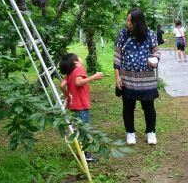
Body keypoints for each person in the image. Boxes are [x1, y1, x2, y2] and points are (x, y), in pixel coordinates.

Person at [114, 8, 161, 145]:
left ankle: (151, 132)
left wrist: (155, 60)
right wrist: (117, 76)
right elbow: (117, 57)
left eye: (131, 20)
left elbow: (156, 52)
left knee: (149, 107)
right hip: (127, 79)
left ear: (138, 22)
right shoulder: (122, 34)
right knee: (128, 107)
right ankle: (130, 133)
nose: (128, 23)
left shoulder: (150, 34)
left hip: (146, 80)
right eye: (127, 19)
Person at [59, 53, 104, 162]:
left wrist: (67, 96)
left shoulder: (70, 73)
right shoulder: (79, 69)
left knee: (79, 129)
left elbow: (62, 85)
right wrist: (93, 77)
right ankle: (86, 154)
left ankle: (82, 151)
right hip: (81, 106)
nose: (80, 57)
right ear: (75, 61)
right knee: (85, 130)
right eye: (78, 56)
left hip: (74, 106)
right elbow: (78, 82)